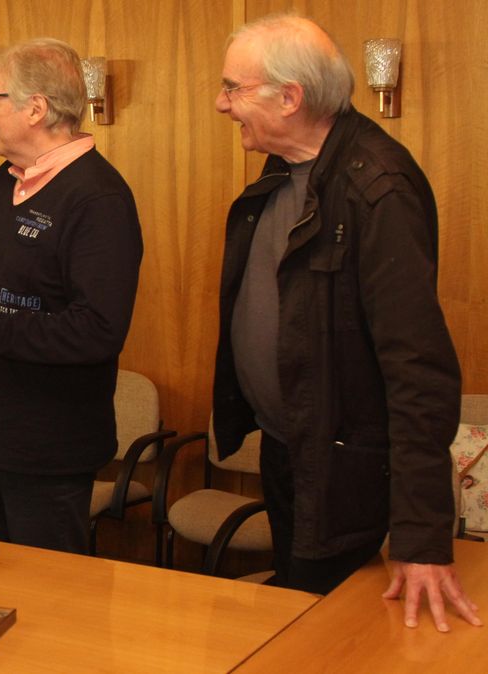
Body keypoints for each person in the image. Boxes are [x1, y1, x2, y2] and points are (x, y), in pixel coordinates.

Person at [212, 15, 481, 631]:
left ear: (290, 97)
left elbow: (419, 370)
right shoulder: (284, 168)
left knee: (329, 638)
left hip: (343, 470)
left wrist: (420, 538)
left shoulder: (378, 187)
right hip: (288, 448)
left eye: (234, 88)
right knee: (298, 621)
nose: (222, 104)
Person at [0, 38, 143, 554]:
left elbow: (96, 331)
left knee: (47, 605)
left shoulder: (99, 198)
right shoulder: (2, 185)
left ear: (36, 108)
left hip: (50, 448)